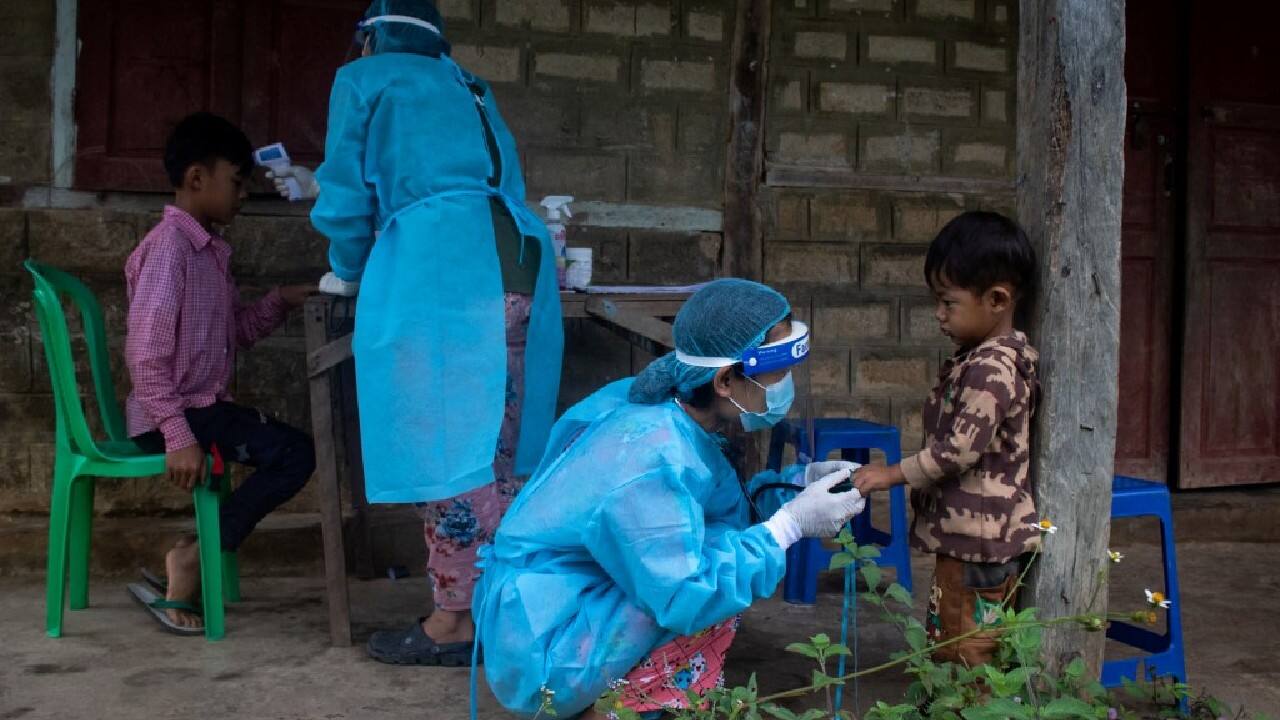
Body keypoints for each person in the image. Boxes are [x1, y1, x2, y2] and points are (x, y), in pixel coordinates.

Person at [267, 0, 563, 665]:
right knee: (501, 454)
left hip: (441, 274)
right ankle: (505, 606)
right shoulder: (471, 88)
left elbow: (344, 191)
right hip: (515, 269)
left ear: (371, 38)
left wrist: (348, 269)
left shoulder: (365, 79)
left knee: (447, 455)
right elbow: (509, 185)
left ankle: (455, 622)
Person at [472, 279, 868, 719]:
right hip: (548, 636)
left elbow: (713, 511)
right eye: (778, 371)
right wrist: (789, 526)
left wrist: (795, 485)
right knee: (711, 595)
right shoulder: (651, 452)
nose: (785, 384)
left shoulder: (671, 413)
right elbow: (685, 591)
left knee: (725, 556)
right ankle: (605, 710)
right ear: (724, 380)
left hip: (567, 594)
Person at [125, 112, 316, 633]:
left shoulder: (208, 253)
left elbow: (239, 331)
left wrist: (282, 300)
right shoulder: (171, 250)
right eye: (236, 182)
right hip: (179, 414)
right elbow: (144, 356)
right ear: (196, 178)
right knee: (295, 453)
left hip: (199, 409)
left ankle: (196, 553)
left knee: (290, 448)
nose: (243, 195)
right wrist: (178, 433)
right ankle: (193, 559)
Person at [853, 211, 1040, 667]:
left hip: (978, 542)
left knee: (965, 651)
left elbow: (958, 450)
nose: (939, 315)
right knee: (955, 638)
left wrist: (890, 475)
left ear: (997, 299)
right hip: (971, 540)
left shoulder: (992, 369)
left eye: (948, 302)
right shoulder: (985, 358)